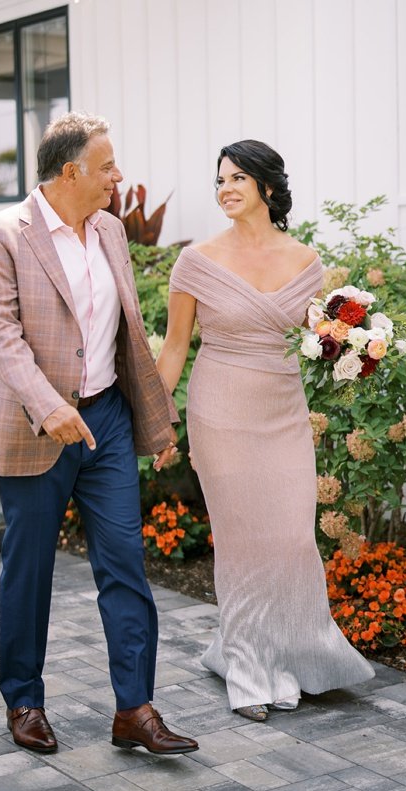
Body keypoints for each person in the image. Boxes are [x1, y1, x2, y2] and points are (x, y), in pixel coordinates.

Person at [0, 112, 198, 756]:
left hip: (106, 421)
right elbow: (0, 337)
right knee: (29, 569)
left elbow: (127, 334)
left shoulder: (110, 230)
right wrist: (45, 404)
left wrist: (154, 418)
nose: (118, 177)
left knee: (125, 565)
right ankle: (23, 700)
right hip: (36, 427)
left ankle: (134, 709)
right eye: (107, 166)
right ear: (69, 172)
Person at [155, 139, 374, 721]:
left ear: (267, 188)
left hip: (283, 412)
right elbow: (175, 347)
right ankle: (250, 669)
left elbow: (316, 338)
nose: (225, 189)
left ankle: (295, 656)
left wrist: (355, 346)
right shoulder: (195, 262)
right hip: (220, 410)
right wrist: (156, 421)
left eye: (237, 179)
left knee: (292, 539)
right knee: (242, 542)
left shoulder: (306, 261)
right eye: (219, 180)